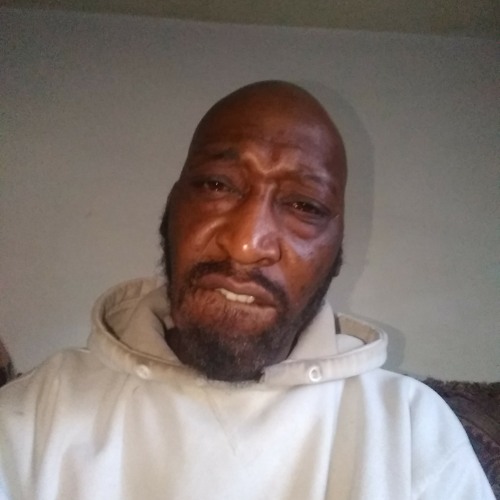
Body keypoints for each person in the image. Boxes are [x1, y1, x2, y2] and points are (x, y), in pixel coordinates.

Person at [0, 81, 493, 500]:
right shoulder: (38, 413)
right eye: (217, 185)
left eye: (304, 205)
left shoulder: (412, 430)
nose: (245, 244)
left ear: (337, 249)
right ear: (171, 208)